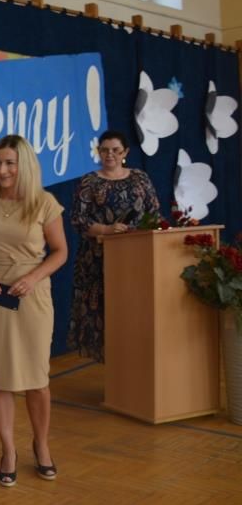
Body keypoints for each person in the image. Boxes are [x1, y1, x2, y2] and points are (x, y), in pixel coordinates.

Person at [0, 135, 67, 487]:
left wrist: (33, 277)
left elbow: (60, 251)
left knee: (37, 379)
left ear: (24, 165)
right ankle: (8, 450)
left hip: (32, 297)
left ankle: (41, 444)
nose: (2, 170)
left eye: (9, 163)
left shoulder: (44, 203)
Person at [68, 130, 159, 362]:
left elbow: (154, 213)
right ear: (98, 152)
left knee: (136, 311)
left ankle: (137, 360)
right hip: (98, 259)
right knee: (106, 313)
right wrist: (107, 230)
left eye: (115, 150)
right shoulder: (89, 181)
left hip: (138, 257)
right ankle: (115, 366)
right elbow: (78, 219)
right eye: (105, 150)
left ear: (125, 152)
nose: (110, 155)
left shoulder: (140, 178)